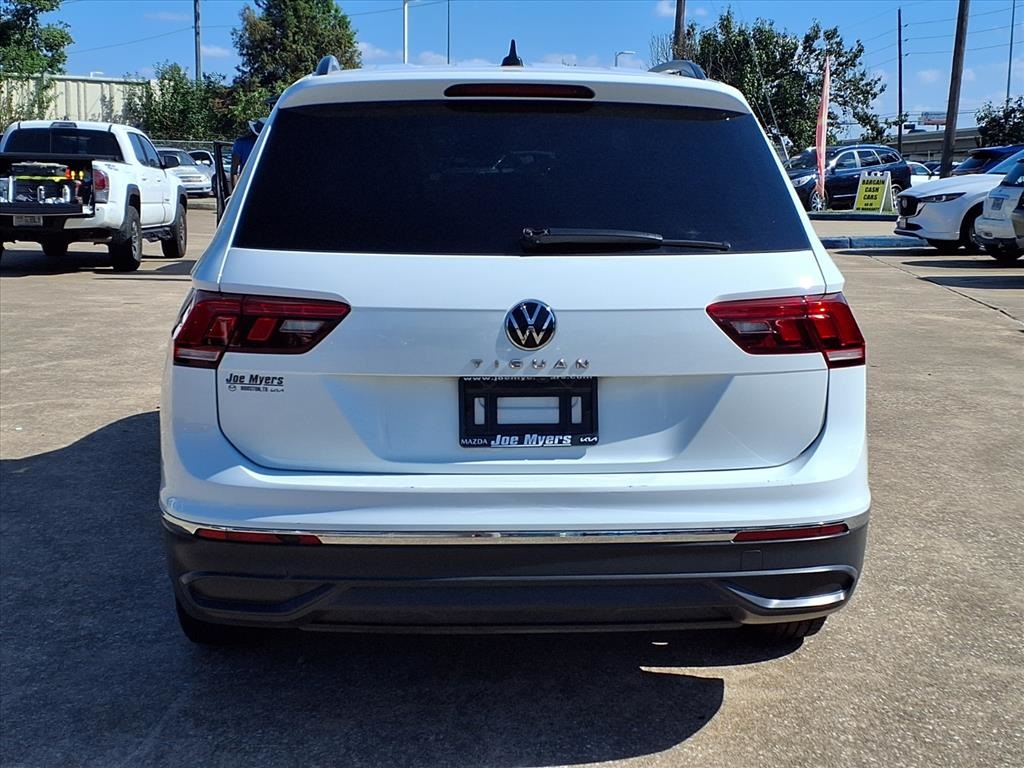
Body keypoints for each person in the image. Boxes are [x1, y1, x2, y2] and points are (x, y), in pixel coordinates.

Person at [230, 118, 265, 188]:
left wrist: (236, 189)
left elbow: (234, 169)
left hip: (246, 184)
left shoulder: (240, 143)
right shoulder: (273, 144)